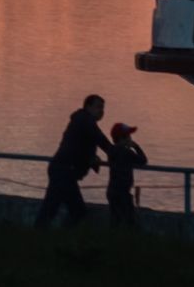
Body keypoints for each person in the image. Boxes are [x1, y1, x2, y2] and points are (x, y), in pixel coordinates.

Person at [34, 94, 116, 228]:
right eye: (98, 107)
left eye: (103, 108)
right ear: (88, 107)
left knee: (53, 208)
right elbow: (101, 141)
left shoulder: (81, 120)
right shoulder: (86, 121)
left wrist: (91, 157)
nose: (102, 111)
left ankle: (43, 237)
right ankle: (50, 239)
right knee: (74, 210)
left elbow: (82, 144)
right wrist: (119, 154)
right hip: (65, 172)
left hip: (62, 170)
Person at [106, 123, 147, 228]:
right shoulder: (127, 152)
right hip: (123, 193)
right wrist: (136, 147)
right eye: (129, 136)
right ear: (123, 138)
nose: (131, 138)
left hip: (112, 190)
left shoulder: (111, 151)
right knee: (129, 222)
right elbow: (143, 160)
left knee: (115, 221)